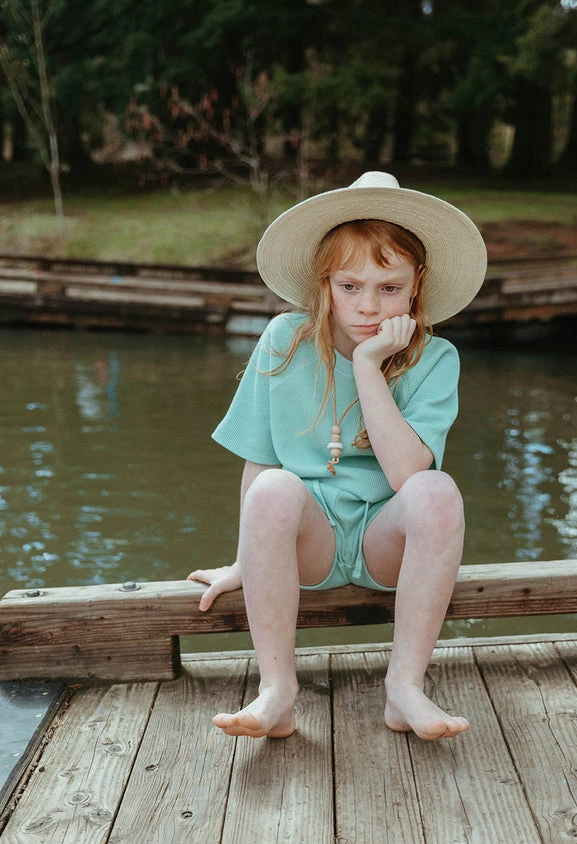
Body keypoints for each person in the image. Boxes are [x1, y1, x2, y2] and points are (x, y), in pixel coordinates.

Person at [188, 171, 486, 740]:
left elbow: (406, 473)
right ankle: (277, 692)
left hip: (386, 541)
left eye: (390, 288)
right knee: (273, 486)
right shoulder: (284, 340)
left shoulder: (434, 358)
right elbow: (258, 458)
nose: (368, 305)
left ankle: (405, 689)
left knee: (436, 489)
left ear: (417, 285)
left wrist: (369, 366)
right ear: (324, 283)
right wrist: (244, 561)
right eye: (350, 286)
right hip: (311, 541)